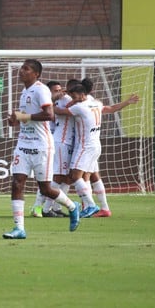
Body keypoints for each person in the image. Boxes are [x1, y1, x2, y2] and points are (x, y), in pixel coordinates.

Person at [3, 59, 81, 239]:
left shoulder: (41, 89)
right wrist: (15, 120)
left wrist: (23, 116)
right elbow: (26, 118)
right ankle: (19, 229)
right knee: (17, 183)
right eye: (21, 68)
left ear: (36, 74)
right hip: (23, 143)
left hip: (41, 145)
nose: (21, 71)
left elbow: (49, 114)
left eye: (26, 69)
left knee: (45, 189)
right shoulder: (24, 91)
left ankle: (71, 206)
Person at [56, 78, 139, 218]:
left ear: (82, 95)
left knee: (75, 177)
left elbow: (59, 111)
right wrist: (126, 102)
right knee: (94, 176)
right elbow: (111, 109)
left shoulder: (79, 107)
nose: (74, 99)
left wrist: (46, 103)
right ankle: (104, 208)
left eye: (75, 97)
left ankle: (90, 205)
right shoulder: (96, 103)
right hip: (95, 146)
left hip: (85, 147)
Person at [30, 80, 74, 218]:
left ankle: (56, 207)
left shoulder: (63, 99)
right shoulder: (46, 102)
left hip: (63, 142)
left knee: (66, 178)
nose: (60, 92)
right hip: (51, 143)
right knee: (52, 177)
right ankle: (39, 207)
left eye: (61, 90)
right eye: (56, 90)